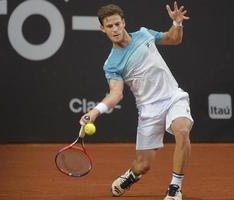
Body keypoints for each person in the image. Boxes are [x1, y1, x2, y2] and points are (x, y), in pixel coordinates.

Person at [80, 2, 193, 200]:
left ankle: (175, 187)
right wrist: (95, 111)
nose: (115, 29)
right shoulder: (112, 63)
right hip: (148, 109)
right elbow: (116, 94)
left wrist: (177, 24)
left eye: (117, 24)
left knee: (182, 130)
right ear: (102, 29)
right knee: (143, 165)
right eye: (109, 26)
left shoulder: (144, 34)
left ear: (123, 22)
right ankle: (132, 175)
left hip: (173, 97)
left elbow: (173, 39)